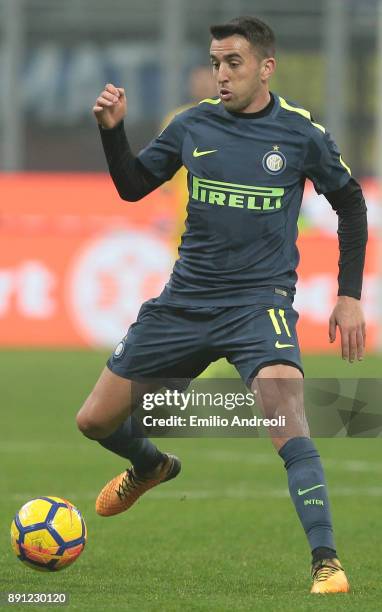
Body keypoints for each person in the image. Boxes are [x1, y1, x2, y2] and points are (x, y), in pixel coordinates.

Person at [77, 16, 367, 594]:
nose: (221, 74)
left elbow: (351, 206)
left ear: (266, 67)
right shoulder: (192, 126)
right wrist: (114, 131)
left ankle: (327, 563)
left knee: (289, 422)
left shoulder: (301, 134)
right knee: (95, 420)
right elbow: (134, 186)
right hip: (185, 301)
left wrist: (350, 296)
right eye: (215, 63)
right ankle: (153, 466)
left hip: (259, 306)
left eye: (233, 62)